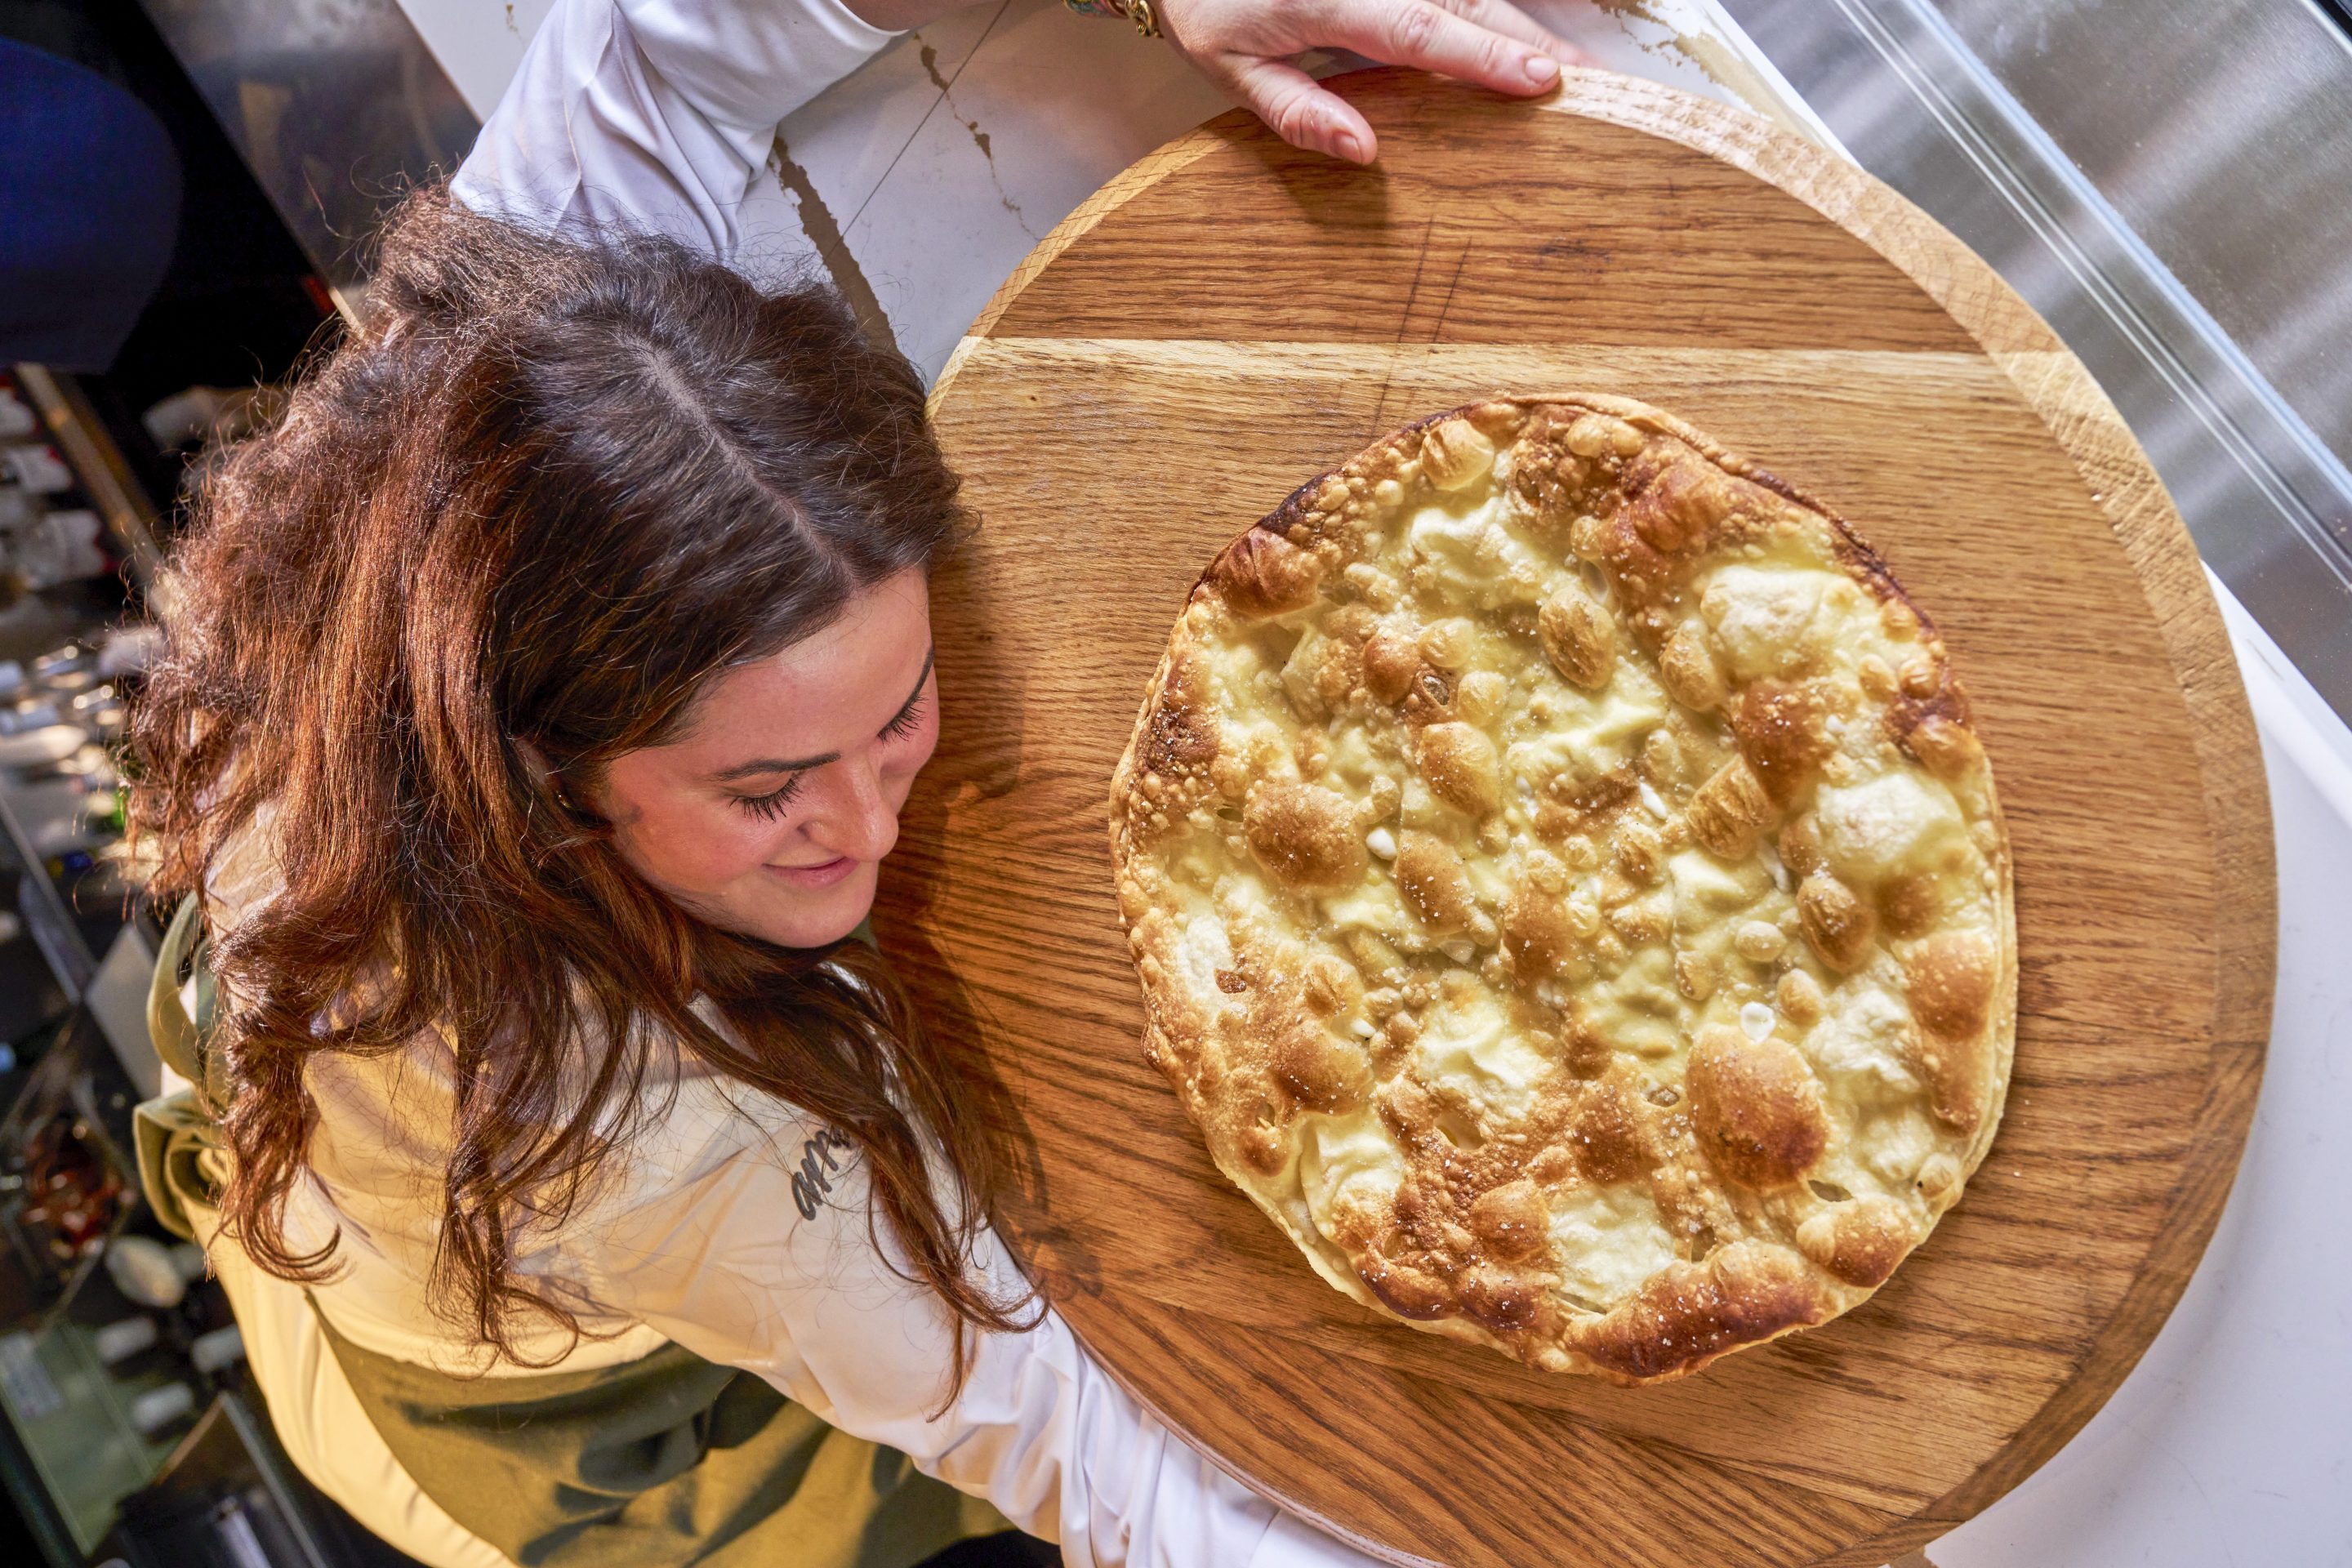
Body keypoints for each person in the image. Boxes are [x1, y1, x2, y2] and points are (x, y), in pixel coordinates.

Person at [127, 0, 1584, 1564]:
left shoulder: (509, 411)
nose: (872, 825)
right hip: (525, 1407)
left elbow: (663, 48)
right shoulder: (648, 1144)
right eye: (770, 793)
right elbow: (1082, 1444)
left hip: (284, 1042)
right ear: (538, 779)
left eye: (896, 714)